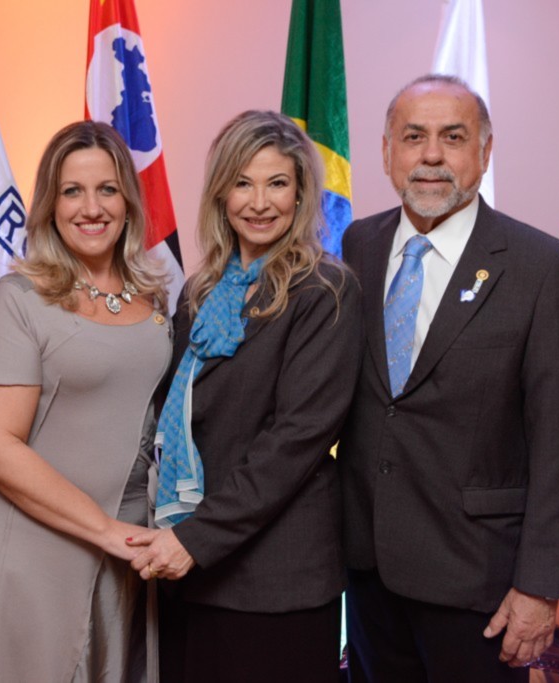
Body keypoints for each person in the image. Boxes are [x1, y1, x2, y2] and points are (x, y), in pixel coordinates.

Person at [337, 74, 559, 683]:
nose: (431, 155)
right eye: (413, 137)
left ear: (484, 151)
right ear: (387, 152)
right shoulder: (360, 243)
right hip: (368, 571)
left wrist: (540, 588)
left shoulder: (541, 266)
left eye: (452, 137)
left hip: (479, 583)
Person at [126, 110, 362, 683]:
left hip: (273, 580)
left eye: (277, 183)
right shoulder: (199, 292)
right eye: (242, 183)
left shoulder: (325, 290)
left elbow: (295, 441)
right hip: (190, 570)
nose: (259, 203)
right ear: (221, 194)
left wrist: (194, 538)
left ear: (300, 194)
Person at [0, 120, 171, 682]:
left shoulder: (154, 295)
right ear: (50, 204)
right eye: (72, 191)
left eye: (107, 189)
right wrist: (105, 530)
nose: (91, 208)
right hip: (29, 551)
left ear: (128, 201)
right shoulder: (17, 299)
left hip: (127, 549)